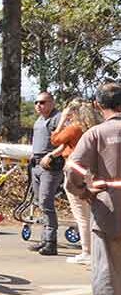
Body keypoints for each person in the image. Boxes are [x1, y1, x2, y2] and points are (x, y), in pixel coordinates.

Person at [64, 81, 121, 295]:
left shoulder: (95, 134)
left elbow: (73, 172)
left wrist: (84, 192)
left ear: (98, 106)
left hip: (109, 214)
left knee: (107, 274)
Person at [50, 99, 101, 264]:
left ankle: (87, 251)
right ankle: (96, 250)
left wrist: (62, 120)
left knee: (81, 215)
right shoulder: (95, 128)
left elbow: (55, 139)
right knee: (93, 214)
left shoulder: (74, 128)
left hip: (75, 171)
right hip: (92, 172)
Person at [28, 91, 64, 256]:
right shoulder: (39, 120)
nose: (38, 106)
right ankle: (44, 239)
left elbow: (66, 143)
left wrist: (51, 155)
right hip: (36, 165)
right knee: (39, 202)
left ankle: (51, 242)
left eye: (42, 102)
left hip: (50, 166)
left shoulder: (58, 118)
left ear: (52, 102)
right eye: (36, 102)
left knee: (46, 202)